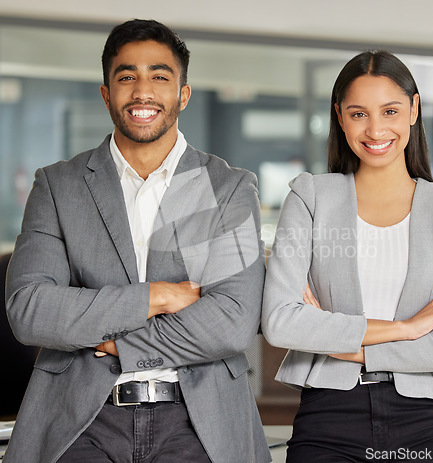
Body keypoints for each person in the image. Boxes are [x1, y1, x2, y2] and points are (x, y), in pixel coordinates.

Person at [5, 19, 270, 463]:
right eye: (126, 77)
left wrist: (122, 346)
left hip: (198, 416)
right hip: (81, 418)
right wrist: (159, 296)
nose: (142, 91)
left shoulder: (225, 187)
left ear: (182, 94)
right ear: (107, 93)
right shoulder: (59, 185)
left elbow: (232, 320)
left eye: (159, 77)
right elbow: (30, 310)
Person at [262, 50, 433, 463]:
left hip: (421, 419)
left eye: (390, 110)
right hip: (327, 415)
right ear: (340, 117)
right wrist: (408, 328)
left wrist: (341, 344)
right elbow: (279, 322)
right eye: (359, 113)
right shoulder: (310, 197)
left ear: (414, 110)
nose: (376, 128)